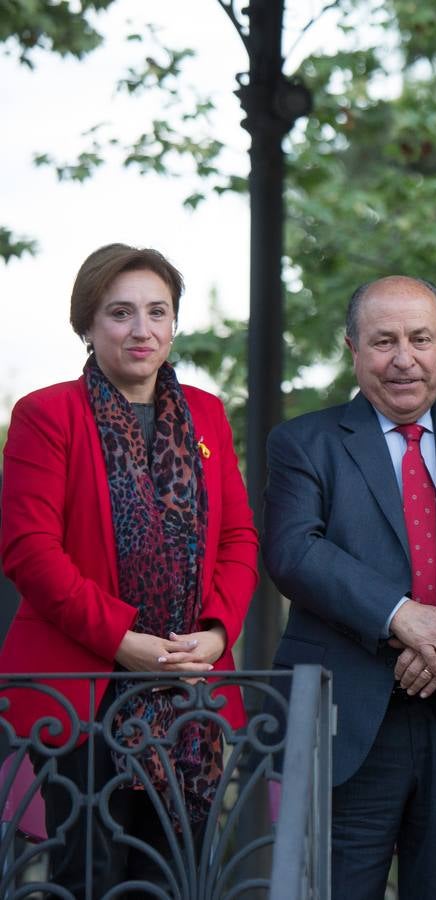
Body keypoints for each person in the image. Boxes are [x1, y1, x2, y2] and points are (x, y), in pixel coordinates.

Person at [0, 244, 258, 893]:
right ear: (87, 324)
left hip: (189, 690)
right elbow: (30, 549)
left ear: (174, 323)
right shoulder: (46, 413)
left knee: (173, 879)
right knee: (89, 876)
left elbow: (237, 537)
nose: (141, 330)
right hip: (81, 695)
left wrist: (219, 632)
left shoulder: (205, 415)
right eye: (120, 313)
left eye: (156, 312)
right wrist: (122, 643)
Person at [263, 275, 436, 900]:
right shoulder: (305, 442)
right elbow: (294, 550)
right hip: (348, 716)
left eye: (420, 338)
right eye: (383, 341)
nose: (403, 358)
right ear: (353, 348)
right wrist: (402, 616)